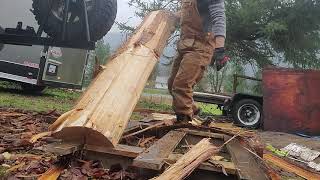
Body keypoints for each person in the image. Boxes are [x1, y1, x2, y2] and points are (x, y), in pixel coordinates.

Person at [168, 0, 229, 122]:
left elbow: (219, 19)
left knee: (181, 85)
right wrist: (171, 16)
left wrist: (220, 49)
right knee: (172, 84)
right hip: (185, 44)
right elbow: (187, 13)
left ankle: (184, 120)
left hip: (201, 46)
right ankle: (193, 110)